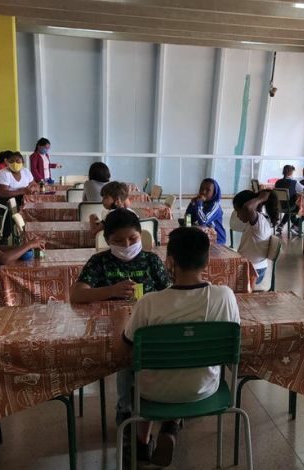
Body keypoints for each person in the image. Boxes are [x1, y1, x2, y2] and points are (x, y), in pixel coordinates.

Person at [119, 227, 240, 466]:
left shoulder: (149, 303)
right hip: (205, 390)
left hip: (152, 395)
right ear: (207, 260)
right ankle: (171, 425)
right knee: (184, 366)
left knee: (142, 372)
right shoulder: (224, 296)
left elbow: (125, 351)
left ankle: (142, 444)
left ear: (170, 261)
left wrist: (118, 323)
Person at [70, 209, 170, 304]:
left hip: (145, 318)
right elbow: (77, 295)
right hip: (109, 318)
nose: (127, 245)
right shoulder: (99, 262)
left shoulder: (152, 260)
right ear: (107, 240)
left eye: (133, 238)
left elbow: (170, 293)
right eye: (118, 241)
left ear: (140, 235)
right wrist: (111, 291)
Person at [233, 190, 279, 286]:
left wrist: (261, 198)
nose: (237, 215)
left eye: (238, 211)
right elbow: (247, 208)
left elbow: (247, 207)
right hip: (248, 266)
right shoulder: (257, 221)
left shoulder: (260, 223)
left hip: (254, 270)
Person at [0, 152, 36, 244]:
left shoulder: (26, 171)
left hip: (18, 198)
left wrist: (32, 187)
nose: (15, 163)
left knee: (30, 207)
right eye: (11, 161)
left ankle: (27, 233)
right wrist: (23, 190)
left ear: (22, 162)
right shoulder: (3, 174)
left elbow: (33, 183)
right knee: (10, 209)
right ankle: (4, 237)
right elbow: (3, 193)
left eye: (17, 161)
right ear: (7, 162)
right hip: (0, 199)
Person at [184, 178, 226, 244]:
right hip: (205, 238)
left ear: (214, 192)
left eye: (208, 190)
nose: (203, 192)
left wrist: (198, 204)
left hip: (217, 240)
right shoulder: (201, 203)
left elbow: (203, 221)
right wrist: (192, 204)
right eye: (201, 188)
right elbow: (188, 220)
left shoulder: (215, 206)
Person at [274, 165, 304, 236]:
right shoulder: (294, 182)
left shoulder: (277, 182)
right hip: (290, 206)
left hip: (280, 206)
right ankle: (295, 225)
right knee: (303, 210)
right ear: (291, 173)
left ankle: (281, 225)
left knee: (290, 209)